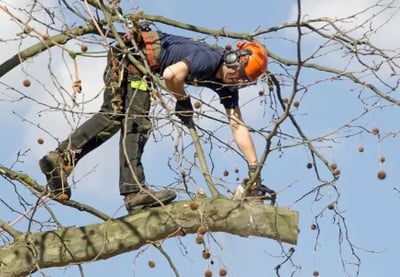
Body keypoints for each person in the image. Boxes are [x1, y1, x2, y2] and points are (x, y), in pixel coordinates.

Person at [39, 28, 270, 213]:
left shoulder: (227, 87)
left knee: (114, 115)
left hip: (132, 62)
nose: (237, 80)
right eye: (240, 74)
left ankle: (59, 160)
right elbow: (171, 75)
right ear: (233, 59)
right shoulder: (208, 58)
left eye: (244, 80)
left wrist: (253, 166)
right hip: (134, 61)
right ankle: (133, 192)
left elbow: (237, 124)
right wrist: (182, 100)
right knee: (136, 122)